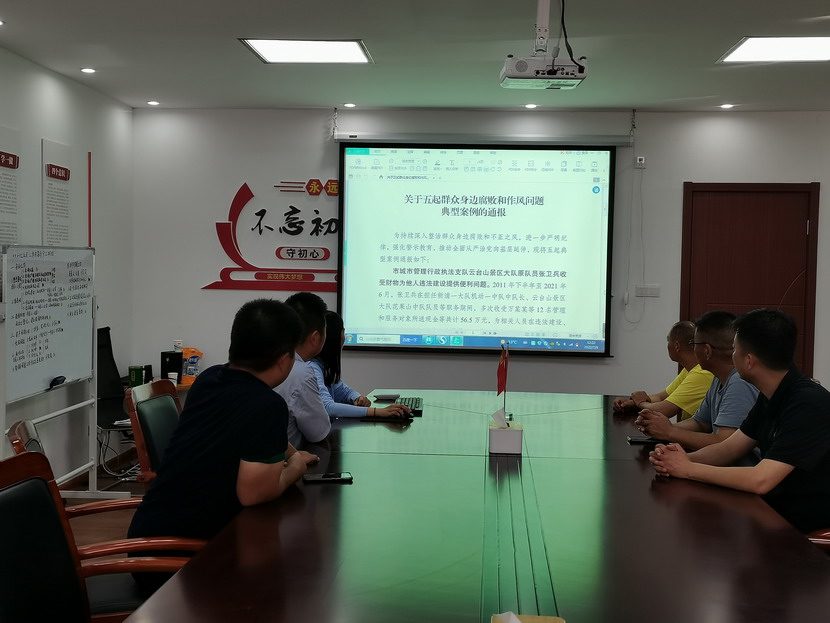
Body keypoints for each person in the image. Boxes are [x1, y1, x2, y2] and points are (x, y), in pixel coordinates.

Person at [128, 298, 319, 542]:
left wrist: (292, 452)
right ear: (284, 360)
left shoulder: (209, 379)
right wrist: (296, 466)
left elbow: (253, 433)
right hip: (184, 553)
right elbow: (254, 494)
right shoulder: (267, 405)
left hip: (149, 533)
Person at [649, 309, 830, 533]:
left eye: (734, 349)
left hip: (800, 525)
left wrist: (688, 468)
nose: (731, 356)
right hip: (772, 510)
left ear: (749, 361)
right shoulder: (771, 394)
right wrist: (677, 459)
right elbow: (729, 448)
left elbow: (760, 479)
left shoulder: (808, 402)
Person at [635, 311, 758, 450]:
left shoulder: (739, 383)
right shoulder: (718, 379)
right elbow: (700, 423)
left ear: (707, 351)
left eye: (694, 344)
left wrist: (669, 432)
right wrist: (659, 426)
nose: (693, 349)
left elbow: (723, 442)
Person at [310, 310, 410, 418]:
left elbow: (344, 391)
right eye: (343, 332)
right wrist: (377, 412)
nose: (344, 338)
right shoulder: (312, 368)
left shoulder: (324, 367)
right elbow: (327, 407)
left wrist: (357, 398)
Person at [613, 320, 713, 419]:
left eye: (668, 341)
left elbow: (663, 410)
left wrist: (640, 402)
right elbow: (661, 397)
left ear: (677, 346)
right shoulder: (689, 370)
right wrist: (632, 402)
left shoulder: (701, 374)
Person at [276, 292, 332, 447]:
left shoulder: (263, 361)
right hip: (286, 460)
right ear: (315, 337)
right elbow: (318, 433)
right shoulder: (302, 373)